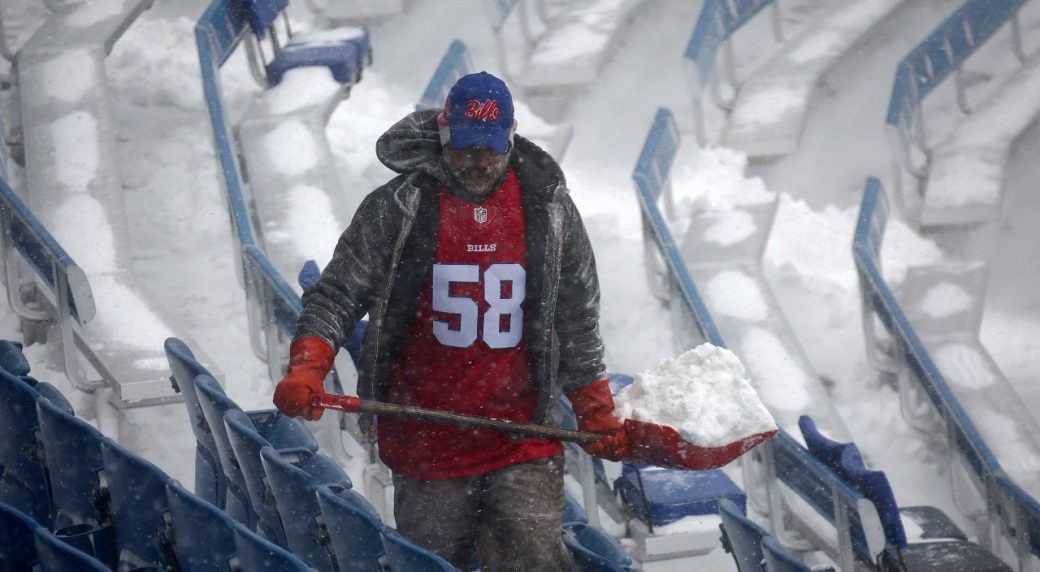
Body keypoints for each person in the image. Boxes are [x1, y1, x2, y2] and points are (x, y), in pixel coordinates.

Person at [273, 71, 627, 570]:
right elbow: (336, 294)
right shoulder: (398, 207)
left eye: (490, 150)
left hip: (521, 436)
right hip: (426, 442)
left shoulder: (549, 211)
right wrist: (308, 362)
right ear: (443, 133)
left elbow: (577, 317)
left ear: (511, 136)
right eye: (465, 149)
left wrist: (593, 404)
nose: (478, 163)